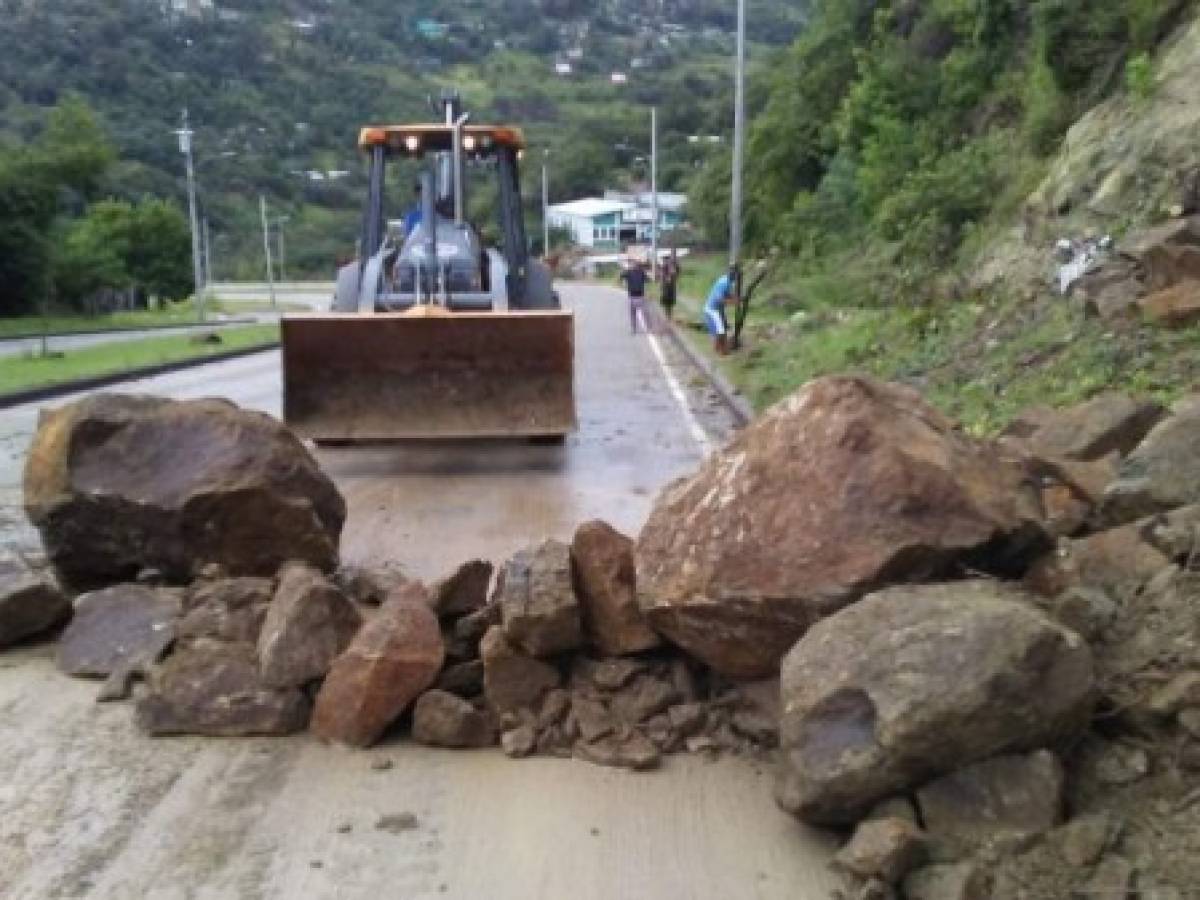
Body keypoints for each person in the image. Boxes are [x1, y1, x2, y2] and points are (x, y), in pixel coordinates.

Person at [704, 265, 738, 355]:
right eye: (733, 274)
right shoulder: (724, 283)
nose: (735, 277)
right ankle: (721, 351)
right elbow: (720, 299)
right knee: (720, 331)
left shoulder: (728, 281)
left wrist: (735, 298)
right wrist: (733, 302)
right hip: (712, 309)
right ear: (730, 274)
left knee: (723, 328)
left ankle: (722, 348)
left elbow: (727, 294)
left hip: (718, 309)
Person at [618, 257, 650, 335]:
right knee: (633, 313)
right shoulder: (629, 272)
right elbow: (621, 277)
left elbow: (648, 280)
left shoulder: (641, 272)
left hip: (639, 296)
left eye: (636, 264)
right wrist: (623, 269)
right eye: (634, 264)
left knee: (642, 313)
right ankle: (634, 329)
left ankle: (644, 328)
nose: (635, 265)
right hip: (632, 295)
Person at [659, 250, 680, 322]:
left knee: (670, 302)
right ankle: (667, 316)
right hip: (666, 287)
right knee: (666, 302)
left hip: (671, 286)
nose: (665, 261)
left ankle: (669, 316)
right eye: (664, 259)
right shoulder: (663, 267)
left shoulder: (674, 266)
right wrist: (662, 284)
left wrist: (673, 274)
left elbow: (677, 273)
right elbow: (662, 277)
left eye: (666, 259)